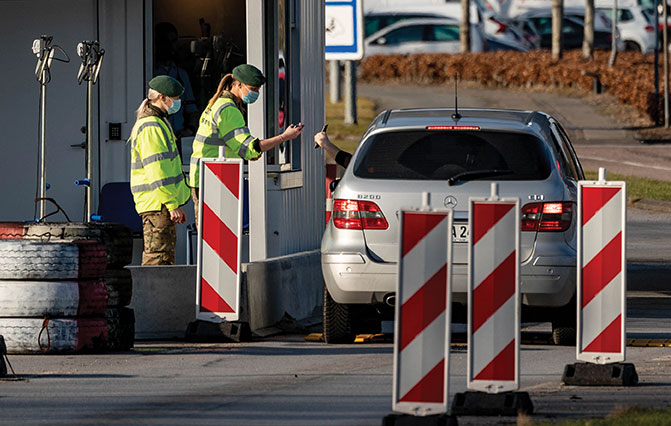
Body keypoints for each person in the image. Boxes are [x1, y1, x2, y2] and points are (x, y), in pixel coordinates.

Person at [189, 64, 303, 225]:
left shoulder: (216, 103)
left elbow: (234, 145)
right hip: (214, 178)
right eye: (253, 88)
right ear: (238, 84)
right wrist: (284, 137)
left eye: (258, 90)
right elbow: (250, 148)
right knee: (217, 236)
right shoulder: (229, 110)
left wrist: (248, 153)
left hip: (205, 176)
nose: (255, 93)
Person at [129, 75, 190, 265]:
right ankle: (151, 296)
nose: (178, 102)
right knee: (158, 260)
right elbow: (158, 171)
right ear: (162, 97)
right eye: (175, 98)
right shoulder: (152, 126)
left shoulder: (158, 121)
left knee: (162, 258)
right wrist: (171, 204)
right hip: (158, 204)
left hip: (158, 203)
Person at [154, 22, 199, 152]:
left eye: (174, 41)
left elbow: (192, 109)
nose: (173, 46)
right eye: (167, 42)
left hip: (178, 138)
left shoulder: (181, 74)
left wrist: (189, 129)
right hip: (158, 137)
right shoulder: (149, 71)